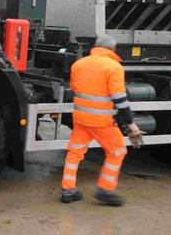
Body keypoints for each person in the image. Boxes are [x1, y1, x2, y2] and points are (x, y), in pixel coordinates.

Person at [61, 35, 142, 206]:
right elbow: (119, 99)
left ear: (95, 47)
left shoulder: (79, 64)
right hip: (101, 122)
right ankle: (105, 190)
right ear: (112, 49)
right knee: (117, 152)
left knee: (74, 153)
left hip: (81, 119)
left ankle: (68, 190)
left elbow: (75, 89)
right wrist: (131, 123)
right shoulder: (114, 67)